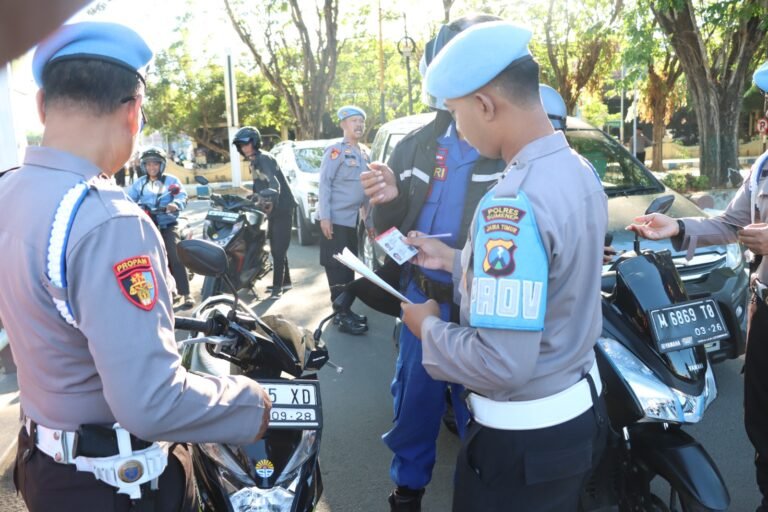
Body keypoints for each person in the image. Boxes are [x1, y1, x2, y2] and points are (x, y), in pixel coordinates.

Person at [0, 22, 271, 512]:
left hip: (44, 464)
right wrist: (252, 402)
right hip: (115, 485)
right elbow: (151, 403)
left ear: (41, 104)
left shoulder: (9, 190)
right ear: (133, 112)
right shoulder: (109, 220)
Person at [400, 21, 608, 511]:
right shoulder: (576, 170)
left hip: (521, 447)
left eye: (456, 113)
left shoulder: (510, 204)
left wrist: (427, 327)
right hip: (575, 418)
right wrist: (457, 259)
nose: (458, 128)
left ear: (486, 105)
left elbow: (501, 364)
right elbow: (549, 277)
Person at [360, 14, 505, 511]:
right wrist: (388, 201)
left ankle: (484, 491)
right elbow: (385, 232)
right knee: (414, 405)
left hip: (484, 306)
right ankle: (408, 492)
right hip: (421, 299)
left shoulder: (510, 151)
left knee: (483, 411)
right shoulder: (415, 145)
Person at [628, 60, 768, 512]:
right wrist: (677, 228)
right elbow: (730, 223)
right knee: (760, 420)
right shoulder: (764, 166)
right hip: (765, 310)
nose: (764, 119)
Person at [317, 106, 372, 335]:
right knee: (336, 268)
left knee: (350, 268)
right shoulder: (335, 151)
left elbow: (367, 191)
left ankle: (346, 309)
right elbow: (324, 184)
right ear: (343, 124)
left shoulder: (365, 153)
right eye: (353, 121)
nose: (359, 125)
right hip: (335, 220)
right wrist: (325, 217)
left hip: (352, 221)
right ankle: (339, 314)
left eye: (361, 121)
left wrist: (369, 222)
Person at [232, 126, 296, 299]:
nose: (244, 147)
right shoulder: (254, 161)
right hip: (272, 209)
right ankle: (286, 281)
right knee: (277, 246)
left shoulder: (264, 158)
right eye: (241, 145)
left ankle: (277, 288)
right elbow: (260, 185)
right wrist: (254, 197)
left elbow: (275, 185)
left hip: (282, 208)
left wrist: (265, 194)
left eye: (247, 143)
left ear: (255, 142)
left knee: (278, 249)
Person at [127, 147, 193, 309]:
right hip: (147, 224)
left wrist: (175, 204)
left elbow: (181, 196)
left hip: (167, 224)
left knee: (174, 255)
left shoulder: (171, 181)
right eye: (148, 164)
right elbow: (129, 199)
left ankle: (186, 293)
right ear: (144, 166)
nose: (152, 167)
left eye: (155, 164)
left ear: (161, 165)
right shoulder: (140, 183)